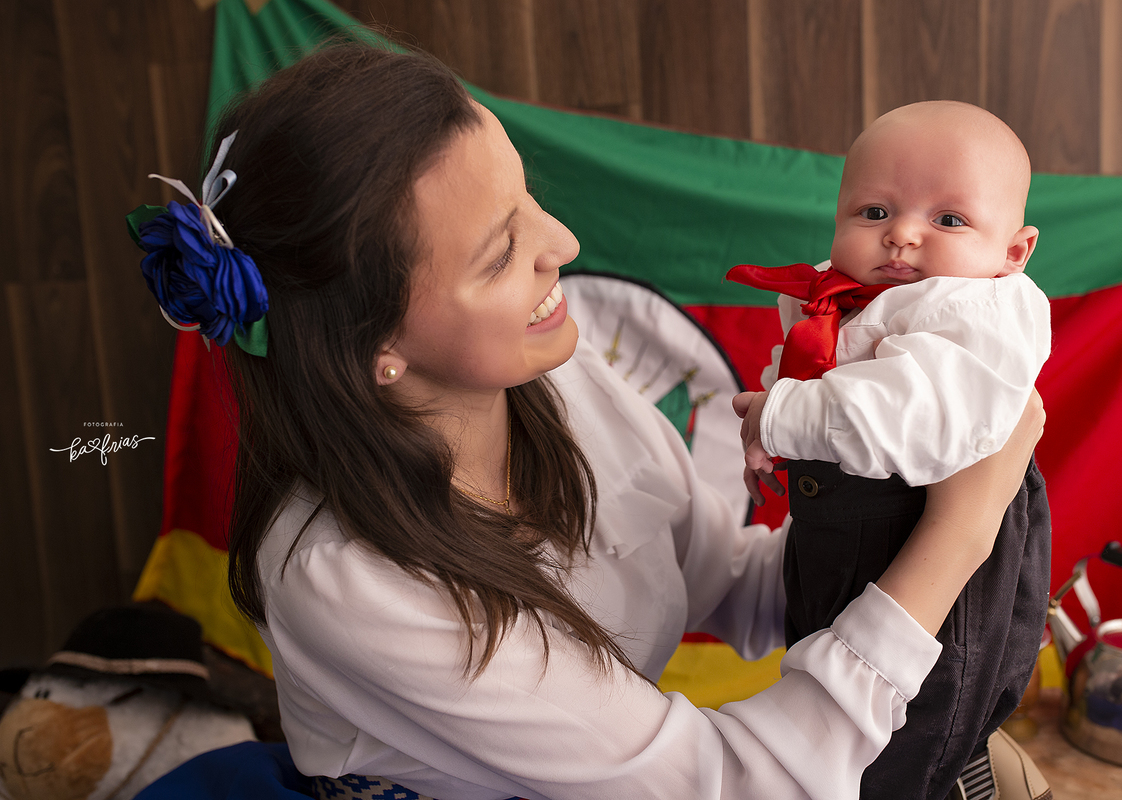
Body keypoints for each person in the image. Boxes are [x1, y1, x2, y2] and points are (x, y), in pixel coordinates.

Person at [132, 47, 1044, 800]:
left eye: (527, 196)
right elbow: (732, 785)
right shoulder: (351, 578)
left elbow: (731, 584)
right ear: (377, 348)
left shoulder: (561, 385)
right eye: (501, 254)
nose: (560, 242)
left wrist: (918, 537)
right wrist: (956, 535)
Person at [728, 101, 1052, 800]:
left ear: (1014, 252)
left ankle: (945, 778)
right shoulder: (856, 293)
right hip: (849, 535)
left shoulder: (975, 311)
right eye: (874, 212)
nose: (902, 235)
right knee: (823, 664)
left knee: (910, 726)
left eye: (948, 219)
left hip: (933, 556)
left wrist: (778, 418)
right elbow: (816, 368)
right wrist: (777, 416)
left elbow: (911, 416)